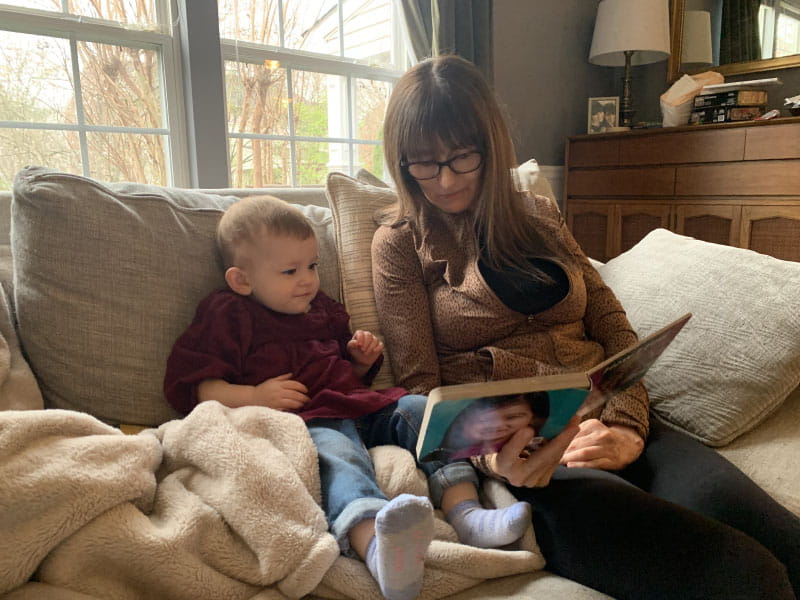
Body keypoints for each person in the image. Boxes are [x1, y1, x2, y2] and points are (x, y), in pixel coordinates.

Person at [371, 54, 800, 600]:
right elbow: (419, 390)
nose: (446, 180)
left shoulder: (540, 217)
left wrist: (625, 425)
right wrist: (488, 453)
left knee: (784, 542)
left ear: (492, 146)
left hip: (613, 410)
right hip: (523, 450)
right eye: (423, 164)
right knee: (747, 579)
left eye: (462, 157)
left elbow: (616, 330)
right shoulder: (398, 243)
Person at [163, 195, 532, 600]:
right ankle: (375, 545)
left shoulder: (318, 307)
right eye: (290, 271)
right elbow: (196, 387)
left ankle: (469, 515)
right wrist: (254, 395)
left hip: (357, 403)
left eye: (312, 266)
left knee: (423, 409)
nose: (307, 279)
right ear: (242, 280)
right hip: (311, 419)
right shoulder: (228, 314)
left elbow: (343, 371)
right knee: (340, 455)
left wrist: (358, 360)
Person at [424, 392, 549, 462]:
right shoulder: (457, 453)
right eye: (485, 419)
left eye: (513, 417)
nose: (497, 426)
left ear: (533, 419)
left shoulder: (535, 442)